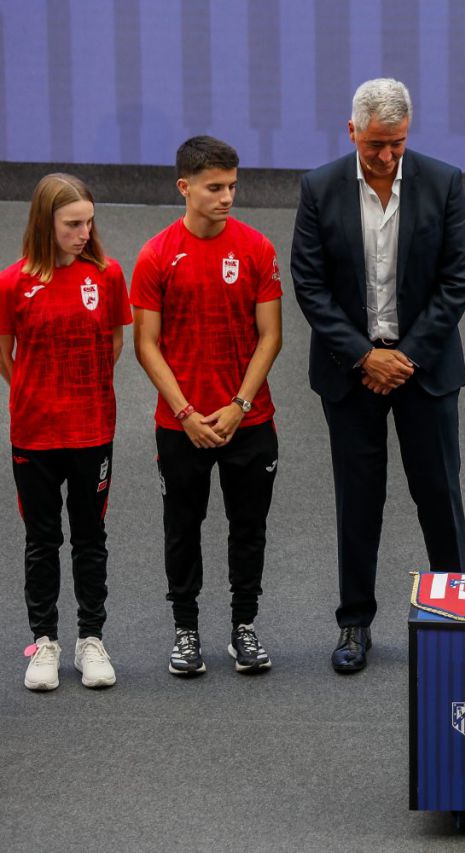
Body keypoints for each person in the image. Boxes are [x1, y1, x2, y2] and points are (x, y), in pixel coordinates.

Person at [291, 78, 465, 673]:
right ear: (352, 133)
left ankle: (455, 618)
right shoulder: (319, 188)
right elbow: (311, 286)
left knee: (439, 495)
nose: (388, 157)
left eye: (397, 144)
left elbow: (456, 282)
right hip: (352, 373)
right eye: (376, 146)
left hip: (424, 368)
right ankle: (354, 624)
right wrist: (364, 356)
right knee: (358, 500)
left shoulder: (444, 183)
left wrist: (405, 357)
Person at [132, 136, 283, 677]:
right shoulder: (155, 255)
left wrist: (239, 405)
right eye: (215, 187)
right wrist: (186, 415)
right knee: (183, 527)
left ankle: (244, 627)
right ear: (185, 187)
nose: (226, 197)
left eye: (232, 186)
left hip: (249, 419)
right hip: (182, 426)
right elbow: (145, 344)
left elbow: (270, 336)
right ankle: (186, 632)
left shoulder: (257, 249)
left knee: (249, 529)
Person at [0, 174, 131, 691]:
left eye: (88, 222)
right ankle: (44, 643)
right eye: (72, 224)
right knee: (41, 539)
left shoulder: (107, 275)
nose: (84, 232)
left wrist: (81, 389)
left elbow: (115, 343)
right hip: (34, 434)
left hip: (93, 430)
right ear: (45, 224)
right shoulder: (13, 282)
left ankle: (90, 640)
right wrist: (37, 389)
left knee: (90, 537)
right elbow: (5, 355)